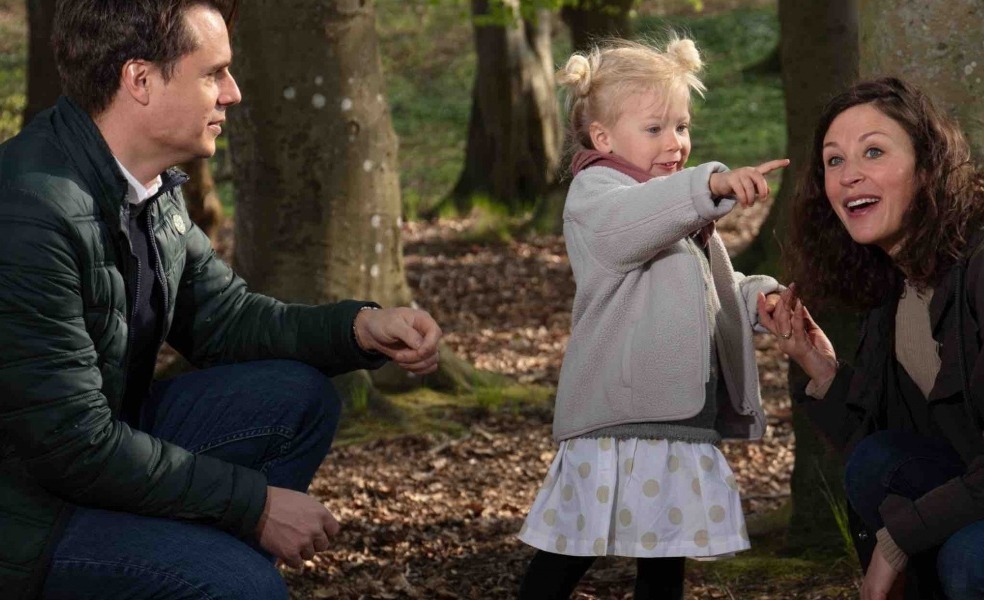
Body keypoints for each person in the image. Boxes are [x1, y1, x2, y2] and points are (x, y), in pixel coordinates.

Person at [0, 1, 442, 598]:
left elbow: (225, 320)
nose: (232, 93)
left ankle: (193, 564)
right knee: (244, 589)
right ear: (140, 80)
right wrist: (254, 507)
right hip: (28, 517)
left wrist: (359, 328)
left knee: (298, 397)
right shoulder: (31, 211)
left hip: (92, 456)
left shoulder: (147, 185)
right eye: (213, 73)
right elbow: (71, 446)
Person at [516, 37, 789, 599]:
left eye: (682, 126)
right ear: (603, 138)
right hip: (618, 419)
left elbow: (703, 289)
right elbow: (630, 226)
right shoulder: (597, 196)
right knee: (569, 550)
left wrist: (757, 300)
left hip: (675, 417)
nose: (675, 142)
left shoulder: (674, 205)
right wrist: (708, 184)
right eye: (655, 128)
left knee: (665, 560)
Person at [761, 77, 984, 600]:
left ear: (927, 167)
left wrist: (898, 540)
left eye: (874, 151)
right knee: (876, 463)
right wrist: (823, 372)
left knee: (969, 562)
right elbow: (885, 451)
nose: (849, 175)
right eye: (834, 160)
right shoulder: (897, 288)